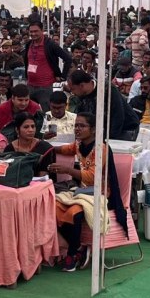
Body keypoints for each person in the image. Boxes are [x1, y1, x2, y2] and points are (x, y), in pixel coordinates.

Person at [47, 112, 105, 272]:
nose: (77, 129)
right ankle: (78, 247)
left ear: (93, 129)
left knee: (75, 212)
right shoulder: (79, 144)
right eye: (76, 125)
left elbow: (92, 177)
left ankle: (72, 254)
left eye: (82, 126)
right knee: (53, 206)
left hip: (100, 192)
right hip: (82, 191)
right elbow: (65, 149)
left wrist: (67, 170)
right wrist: (45, 146)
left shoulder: (101, 148)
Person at [68, 70, 139, 141]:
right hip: (103, 132)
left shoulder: (107, 89)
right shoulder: (81, 96)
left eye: (73, 89)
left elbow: (118, 115)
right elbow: (82, 117)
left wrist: (109, 140)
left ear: (81, 86)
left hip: (125, 128)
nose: (72, 92)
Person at [23, 21, 72, 110]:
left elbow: (68, 59)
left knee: (47, 112)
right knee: (29, 113)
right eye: (31, 31)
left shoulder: (50, 45)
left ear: (42, 30)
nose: (33, 34)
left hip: (45, 87)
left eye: (36, 31)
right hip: (30, 85)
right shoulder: (29, 44)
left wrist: (63, 76)